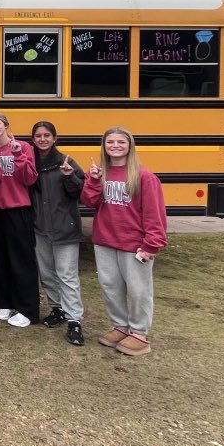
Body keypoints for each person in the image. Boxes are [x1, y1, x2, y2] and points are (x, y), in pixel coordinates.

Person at [81, 127, 167, 356]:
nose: (115, 146)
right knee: (110, 286)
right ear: (104, 145)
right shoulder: (101, 173)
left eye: (121, 142)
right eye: (110, 142)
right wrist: (93, 180)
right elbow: (89, 201)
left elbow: (154, 213)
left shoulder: (144, 176)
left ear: (130, 146)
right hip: (105, 240)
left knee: (138, 290)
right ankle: (120, 326)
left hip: (134, 244)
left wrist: (152, 243)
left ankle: (139, 333)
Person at [0, 111, 39, 328]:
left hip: (18, 209)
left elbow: (29, 178)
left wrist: (18, 155)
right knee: (0, 259)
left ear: (6, 125)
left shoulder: (23, 146)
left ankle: (27, 309)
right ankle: (6, 302)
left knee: (21, 260)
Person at [31, 121, 87, 346]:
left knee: (67, 275)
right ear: (33, 139)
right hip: (40, 228)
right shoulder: (30, 162)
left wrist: (69, 176)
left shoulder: (66, 162)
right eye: (38, 136)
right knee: (47, 273)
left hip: (65, 228)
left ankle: (74, 320)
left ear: (55, 138)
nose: (42, 139)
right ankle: (57, 309)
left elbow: (81, 193)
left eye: (47, 135)